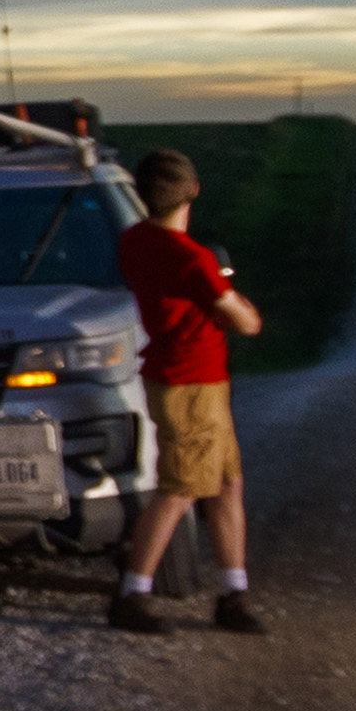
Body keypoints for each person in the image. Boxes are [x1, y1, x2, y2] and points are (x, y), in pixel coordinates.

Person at [110, 146, 265, 634]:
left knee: (225, 484)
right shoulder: (192, 259)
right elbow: (247, 322)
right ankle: (132, 594)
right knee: (179, 489)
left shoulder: (134, 241)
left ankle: (233, 593)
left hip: (174, 375)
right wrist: (227, 288)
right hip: (192, 382)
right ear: (193, 191)